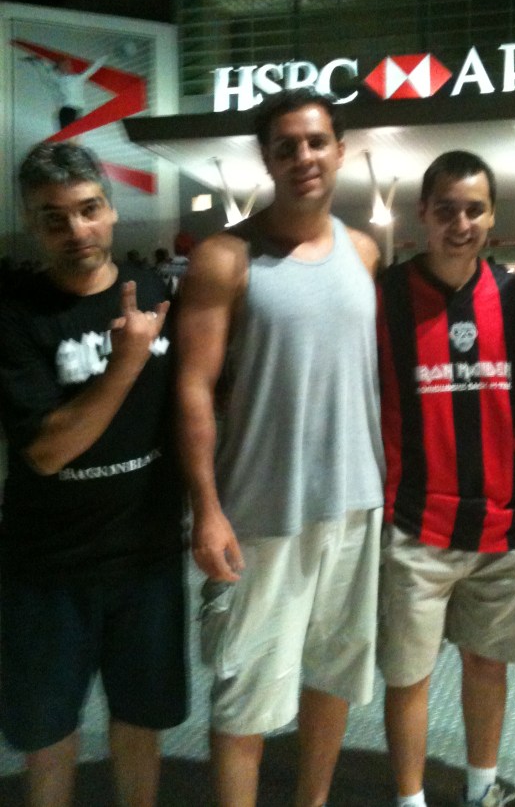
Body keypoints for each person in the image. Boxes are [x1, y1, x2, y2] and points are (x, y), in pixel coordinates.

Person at [175, 88, 385, 807]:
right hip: (263, 512)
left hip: (355, 505)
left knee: (333, 679)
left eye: (317, 142)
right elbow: (194, 388)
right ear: (267, 159)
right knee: (246, 700)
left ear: (340, 151)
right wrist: (207, 509)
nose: (304, 157)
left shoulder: (364, 251)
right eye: (286, 146)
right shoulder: (225, 258)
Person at [0, 142, 188, 807]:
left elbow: (187, 410)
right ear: (33, 225)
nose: (76, 229)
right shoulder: (15, 313)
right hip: (47, 565)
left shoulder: (156, 293)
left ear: (110, 210)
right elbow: (47, 450)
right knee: (48, 732)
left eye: (88, 209)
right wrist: (125, 362)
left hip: (148, 557)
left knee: (141, 721)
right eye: (54, 218)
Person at [376, 151, 515, 807]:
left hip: (500, 525)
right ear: (423, 213)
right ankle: (410, 799)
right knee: (409, 675)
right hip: (415, 524)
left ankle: (481, 790)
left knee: (487, 664)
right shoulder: (386, 296)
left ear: (493, 216)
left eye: (475, 210)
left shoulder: (513, 297)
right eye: (446, 209)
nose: (461, 223)